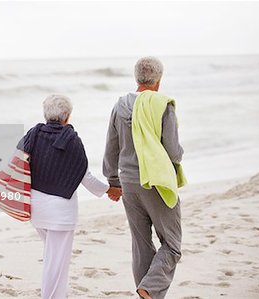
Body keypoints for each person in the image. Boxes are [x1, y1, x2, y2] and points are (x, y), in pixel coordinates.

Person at [19, 94, 121, 299]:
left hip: (36, 208)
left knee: (52, 257)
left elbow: (18, 164)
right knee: (56, 263)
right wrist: (109, 189)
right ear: (67, 117)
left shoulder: (34, 134)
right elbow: (84, 174)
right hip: (60, 213)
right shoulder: (71, 139)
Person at [103, 57, 184, 299]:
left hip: (128, 182)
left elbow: (111, 147)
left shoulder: (120, 105)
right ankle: (149, 289)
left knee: (141, 244)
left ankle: (146, 293)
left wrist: (113, 182)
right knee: (171, 244)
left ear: (136, 78)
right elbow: (173, 152)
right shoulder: (162, 105)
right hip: (155, 181)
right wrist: (179, 156)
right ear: (158, 80)